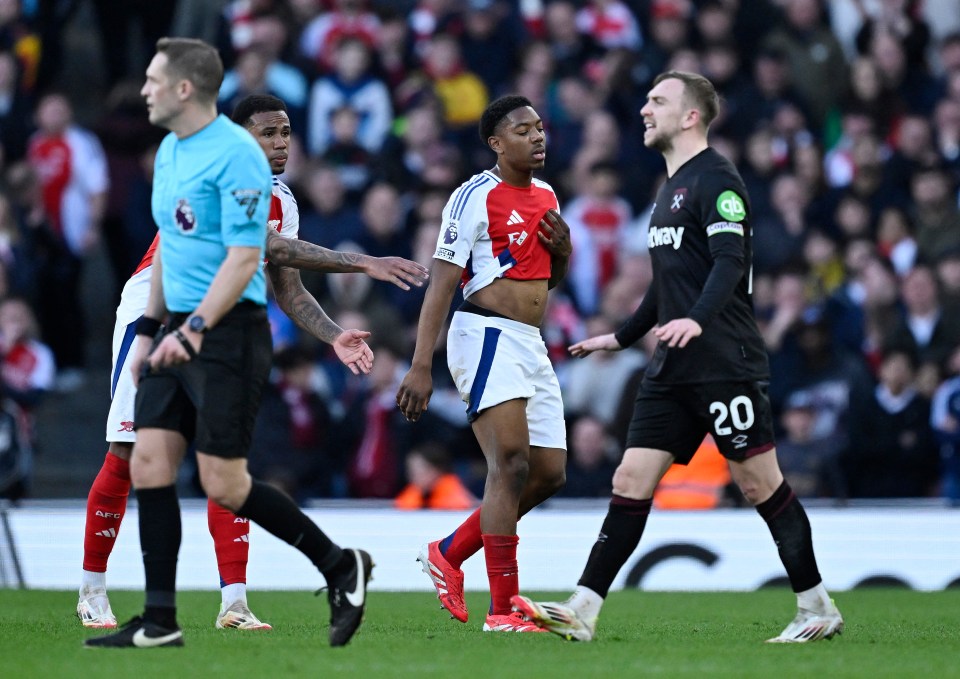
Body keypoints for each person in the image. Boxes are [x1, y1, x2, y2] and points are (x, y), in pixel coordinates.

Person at [76, 90, 428, 632]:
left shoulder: (282, 197)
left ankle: (234, 604)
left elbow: (288, 287)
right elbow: (271, 246)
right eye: (269, 132)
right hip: (159, 306)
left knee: (226, 466)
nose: (282, 143)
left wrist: (333, 335)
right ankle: (92, 590)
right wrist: (362, 262)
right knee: (127, 452)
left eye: (286, 132)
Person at [511, 72, 844, 644]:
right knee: (631, 475)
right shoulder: (668, 189)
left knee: (760, 484)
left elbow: (728, 261)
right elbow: (668, 283)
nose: (644, 109)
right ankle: (583, 609)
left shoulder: (718, 179)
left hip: (722, 360)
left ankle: (817, 607)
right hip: (673, 363)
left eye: (658, 101)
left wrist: (698, 318)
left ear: (691, 116)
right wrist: (619, 337)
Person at [396, 94, 572, 632]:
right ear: (496, 143)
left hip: (531, 340)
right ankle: (503, 610)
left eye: (539, 128)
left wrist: (563, 251)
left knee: (548, 473)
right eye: (523, 130)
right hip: (484, 333)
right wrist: (422, 363)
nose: (537, 137)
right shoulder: (474, 195)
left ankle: (450, 551)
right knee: (511, 463)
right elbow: (442, 281)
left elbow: (546, 283)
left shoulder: (546, 194)